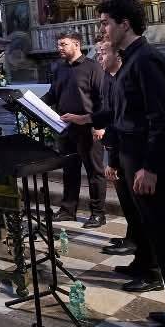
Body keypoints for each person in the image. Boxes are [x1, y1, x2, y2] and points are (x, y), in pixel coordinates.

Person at [63, 0, 165, 327]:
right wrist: (86, 119)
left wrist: (150, 167)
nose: (102, 30)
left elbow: (160, 120)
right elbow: (121, 113)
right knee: (164, 240)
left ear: (125, 24)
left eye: (105, 23)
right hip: (132, 157)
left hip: (145, 161)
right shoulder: (130, 62)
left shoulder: (146, 60)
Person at [94, 41, 158, 290]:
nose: (99, 55)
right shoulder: (111, 79)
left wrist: (145, 165)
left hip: (136, 155)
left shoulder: (138, 68)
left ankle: (153, 272)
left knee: (145, 217)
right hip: (122, 153)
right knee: (133, 213)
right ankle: (141, 262)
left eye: (103, 52)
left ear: (118, 56)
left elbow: (123, 121)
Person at [44, 31, 107, 228]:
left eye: (63, 44)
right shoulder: (59, 68)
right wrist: (30, 103)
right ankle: (68, 209)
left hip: (88, 128)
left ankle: (98, 213)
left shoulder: (93, 67)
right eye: (59, 44)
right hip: (66, 128)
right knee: (69, 170)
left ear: (77, 44)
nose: (59, 48)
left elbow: (102, 98)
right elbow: (53, 95)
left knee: (94, 171)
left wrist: (99, 125)